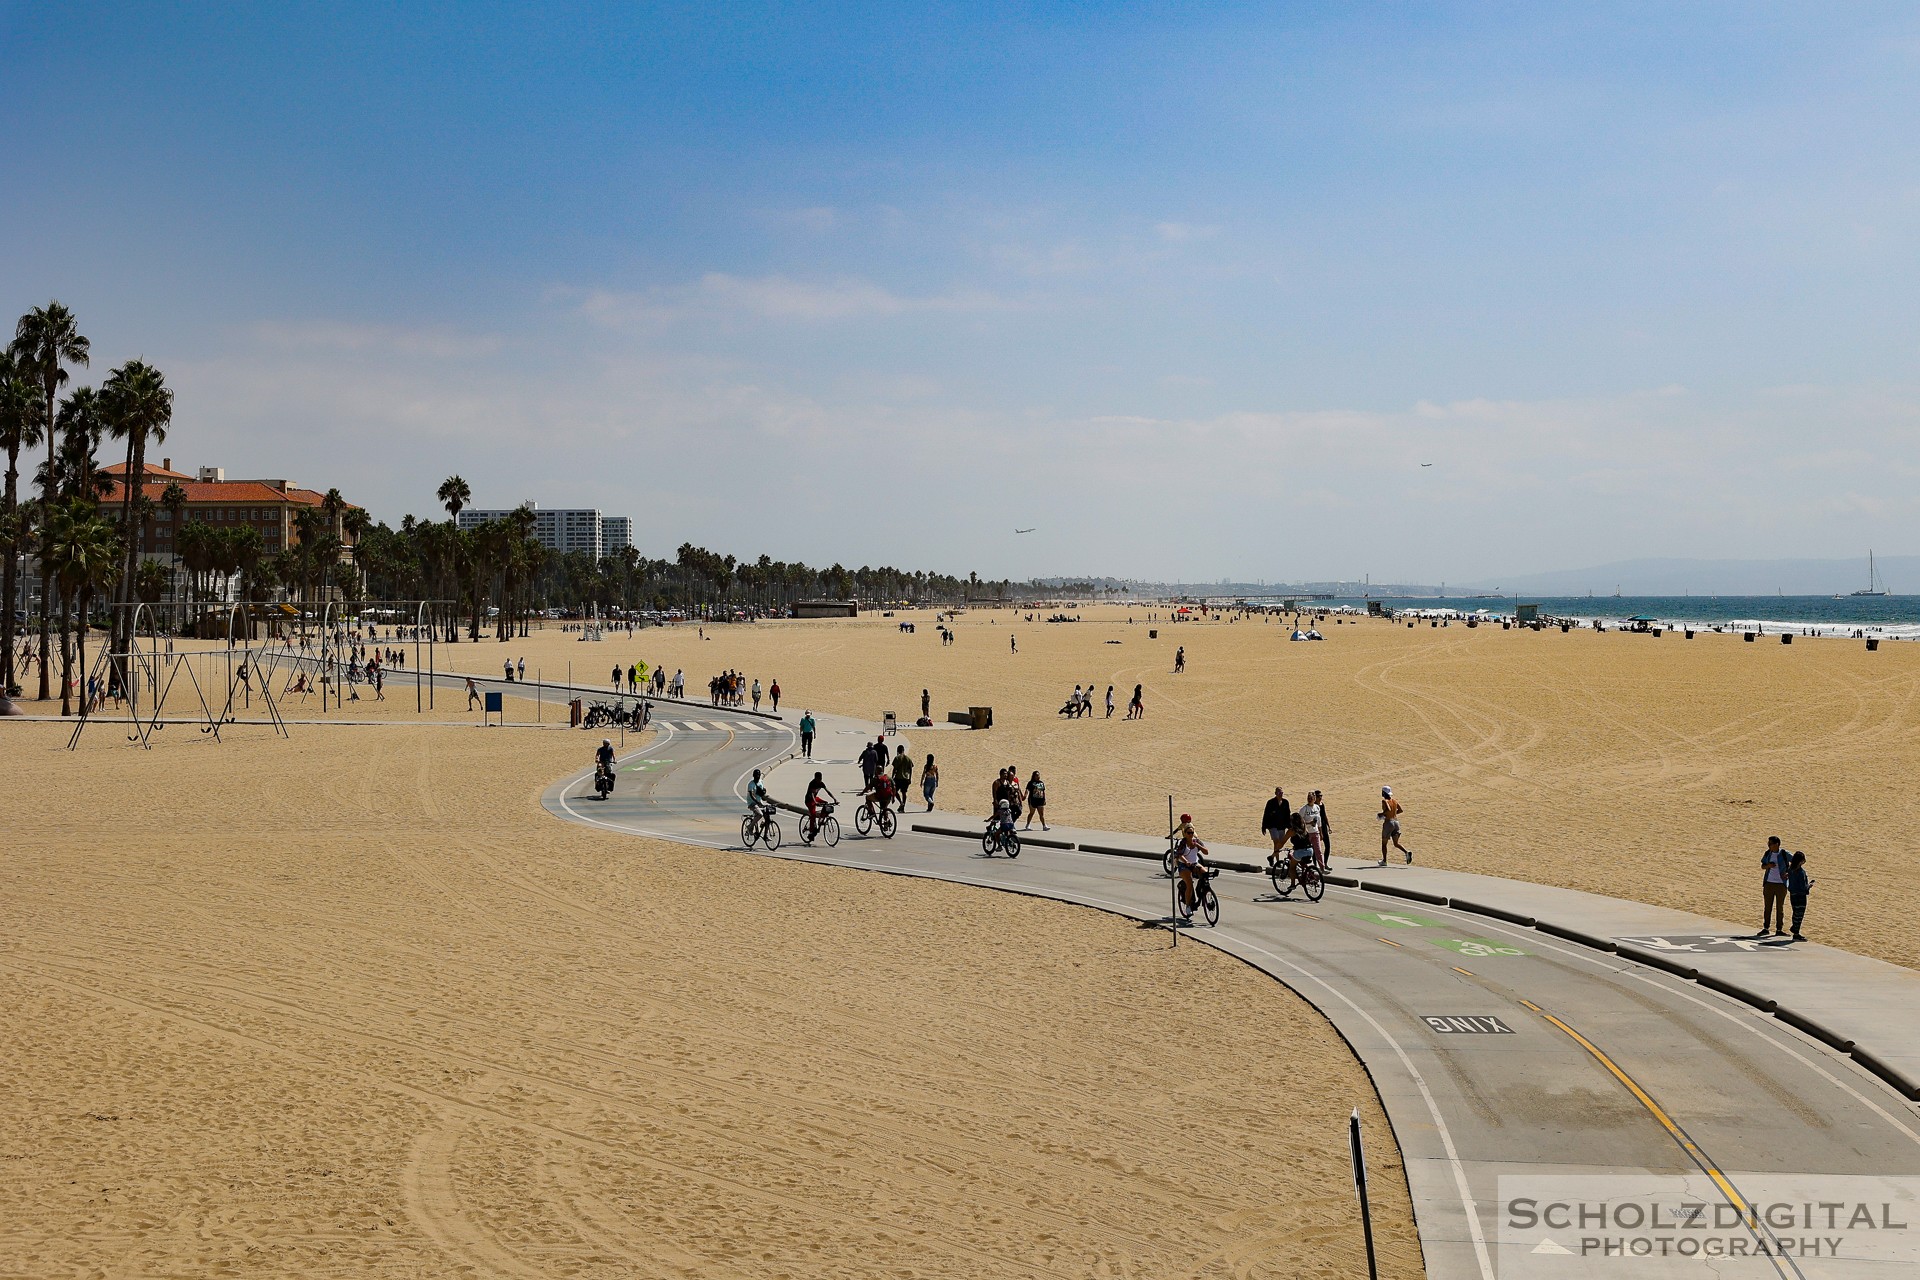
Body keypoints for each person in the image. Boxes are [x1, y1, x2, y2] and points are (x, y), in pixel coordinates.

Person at [1173, 827, 1209, 922]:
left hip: (1195, 863)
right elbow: (1179, 855)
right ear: (1185, 834)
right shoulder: (1183, 843)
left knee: (1205, 874)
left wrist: (1197, 845)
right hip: (1183, 865)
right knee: (1189, 883)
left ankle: (1202, 892)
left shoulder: (1196, 841)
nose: (1190, 834)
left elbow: (1206, 852)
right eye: (1188, 833)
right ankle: (1188, 906)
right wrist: (1186, 861)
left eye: (1192, 832)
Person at [1761, 836, 1790, 936]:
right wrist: (1768, 866)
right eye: (1768, 844)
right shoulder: (1768, 853)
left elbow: (1796, 861)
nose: (1768, 846)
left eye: (1770, 844)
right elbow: (1762, 866)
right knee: (1767, 907)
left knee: (1779, 908)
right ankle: (1766, 927)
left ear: (1776, 844)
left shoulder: (1784, 854)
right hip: (1769, 883)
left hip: (1781, 884)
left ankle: (1779, 929)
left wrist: (1788, 873)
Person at [1378, 787, 1410, 865]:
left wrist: (1382, 814)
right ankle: (1406, 852)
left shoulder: (1384, 801)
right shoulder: (1394, 801)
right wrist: (1393, 814)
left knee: (1384, 843)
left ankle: (1384, 861)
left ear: (1383, 793)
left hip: (1389, 823)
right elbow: (1400, 810)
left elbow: (1388, 809)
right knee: (1396, 843)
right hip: (1396, 822)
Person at [1261, 788, 1292, 864]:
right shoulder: (1270, 802)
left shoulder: (1285, 802)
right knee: (1276, 842)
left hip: (1282, 826)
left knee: (1281, 843)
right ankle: (1277, 861)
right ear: (1275, 793)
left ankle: (1271, 857)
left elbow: (1288, 815)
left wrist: (1289, 825)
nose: (1280, 794)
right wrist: (1263, 827)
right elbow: (1266, 814)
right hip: (1272, 826)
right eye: (1279, 792)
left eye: (1281, 792)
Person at [1787, 851, 1813, 942]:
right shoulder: (1801, 872)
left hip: (1793, 894)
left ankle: (1795, 929)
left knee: (1795, 913)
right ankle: (1796, 932)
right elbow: (1803, 886)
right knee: (1799, 914)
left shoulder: (1790, 869)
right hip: (1800, 895)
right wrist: (1809, 885)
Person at [805, 771, 837, 836]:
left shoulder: (821, 783)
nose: (820, 780)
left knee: (826, 803)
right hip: (809, 800)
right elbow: (812, 794)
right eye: (818, 779)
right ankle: (811, 832)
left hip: (815, 798)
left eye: (821, 778)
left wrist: (834, 799)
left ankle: (821, 819)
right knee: (813, 815)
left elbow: (828, 792)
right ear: (815, 778)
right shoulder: (812, 783)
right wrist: (815, 802)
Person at [1300, 790, 1325, 871]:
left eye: (1311, 798)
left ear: (1314, 799)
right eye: (1308, 798)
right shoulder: (1304, 809)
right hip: (1307, 833)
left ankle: (1322, 867)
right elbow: (1300, 822)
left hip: (1315, 832)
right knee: (1306, 851)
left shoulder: (1317, 807)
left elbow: (1319, 821)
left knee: (1318, 851)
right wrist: (1308, 823)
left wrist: (1321, 832)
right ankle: (1304, 867)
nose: (1310, 799)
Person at [891, 747, 914, 813]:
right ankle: (903, 807)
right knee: (904, 793)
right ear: (903, 750)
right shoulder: (908, 759)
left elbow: (894, 769)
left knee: (894, 791)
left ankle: (901, 803)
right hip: (906, 778)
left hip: (898, 777)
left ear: (898, 750)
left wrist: (892, 777)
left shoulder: (897, 758)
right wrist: (910, 778)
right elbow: (910, 769)